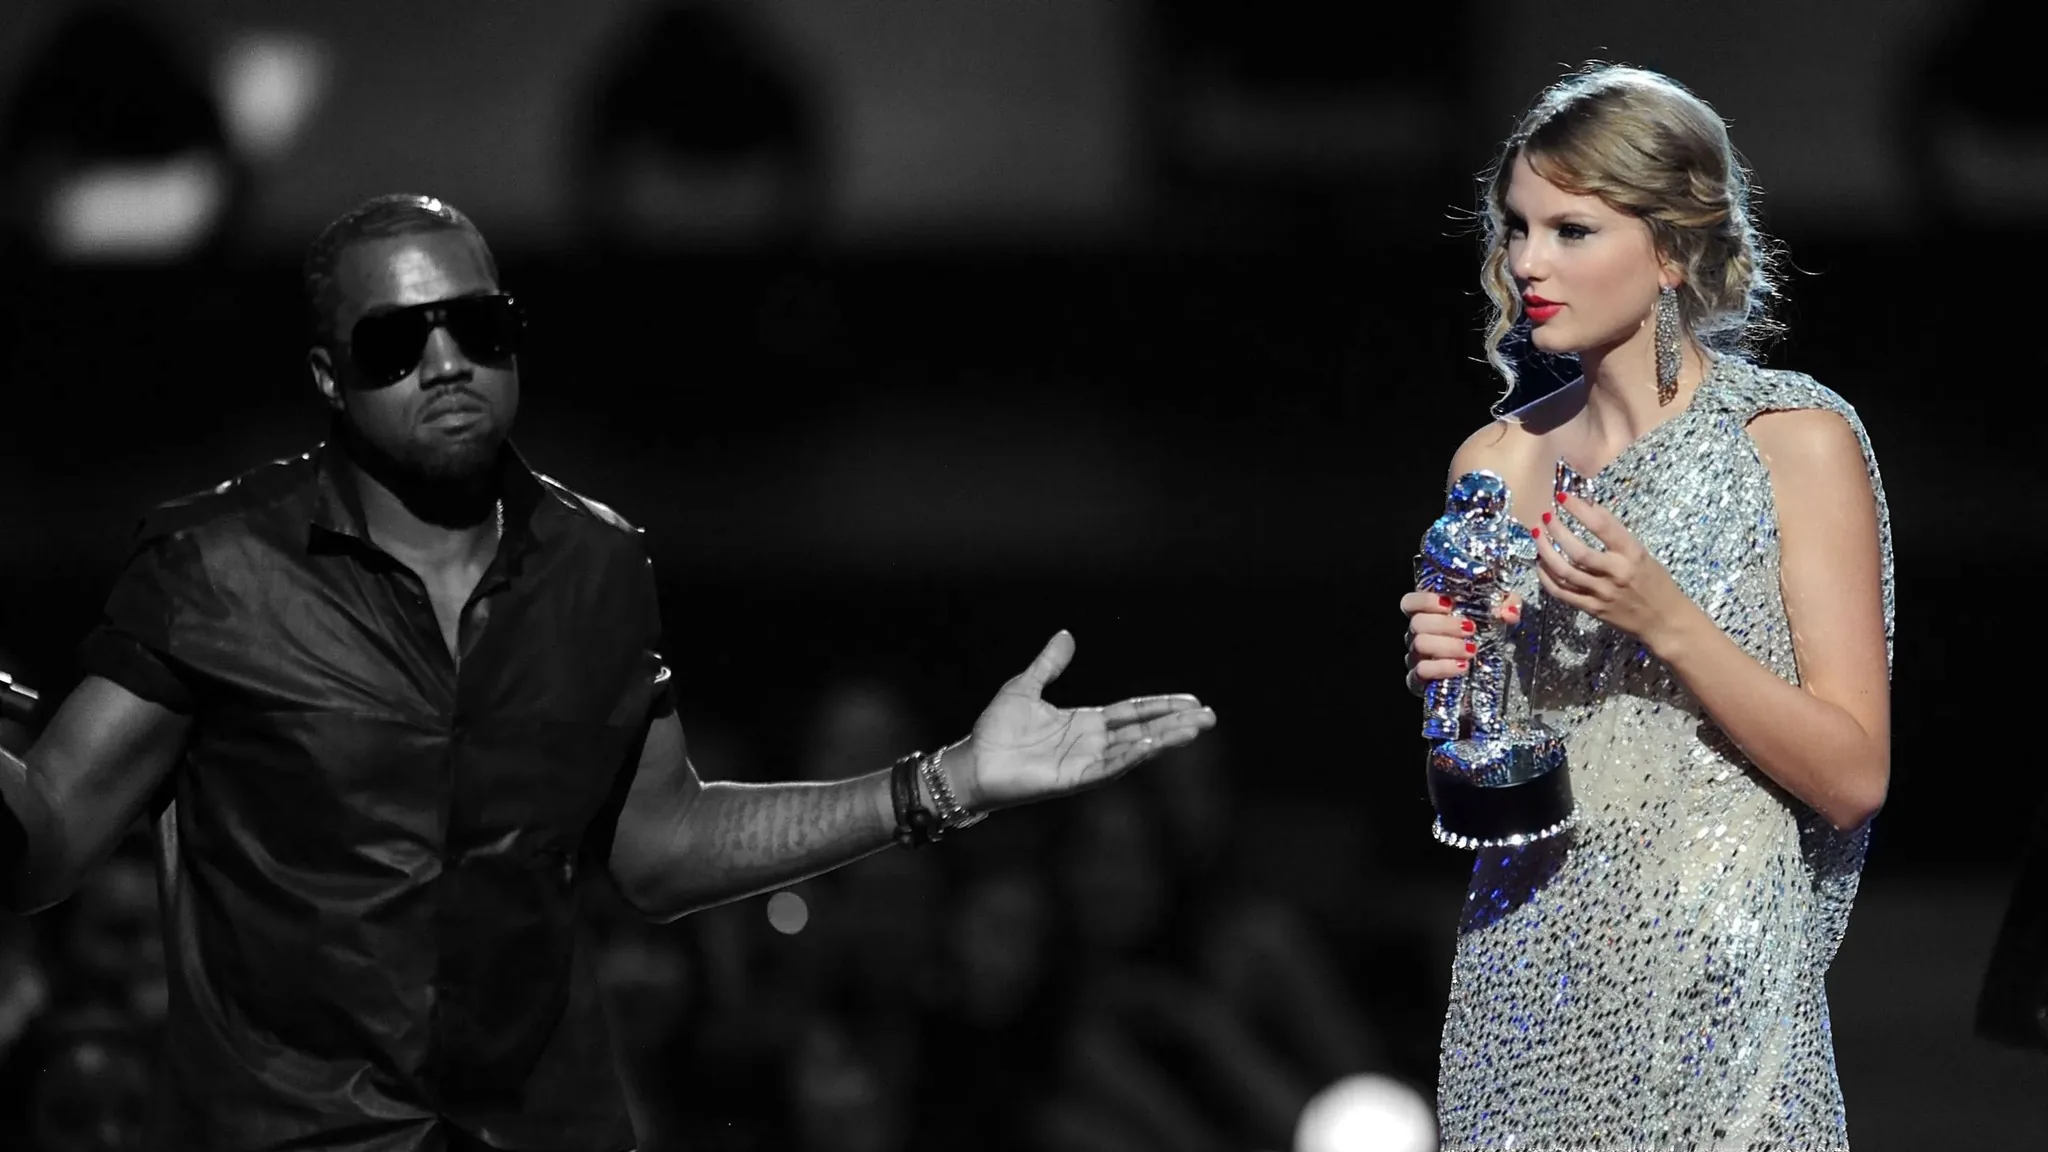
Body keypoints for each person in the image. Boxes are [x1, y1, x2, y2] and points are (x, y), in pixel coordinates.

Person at [0, 192, 1217, 1152]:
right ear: (327, 377)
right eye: (392, 341)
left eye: (476, 327)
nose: (444, 362)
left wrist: (943, 781)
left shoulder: (597, 565)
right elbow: (47, 841)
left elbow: (661, 847)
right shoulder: (213, 569)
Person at [1396, 66, 1892, 1149]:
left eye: (1570, 230)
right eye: (1516, 227)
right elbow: (1478, 797)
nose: (1526, 261)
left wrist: (1665, 620)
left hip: (1715, 971)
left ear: (1670, 249)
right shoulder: (1494, 463)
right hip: (1523, 974)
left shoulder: (1789, 444)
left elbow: (1853, 779)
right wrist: (1456, 700)